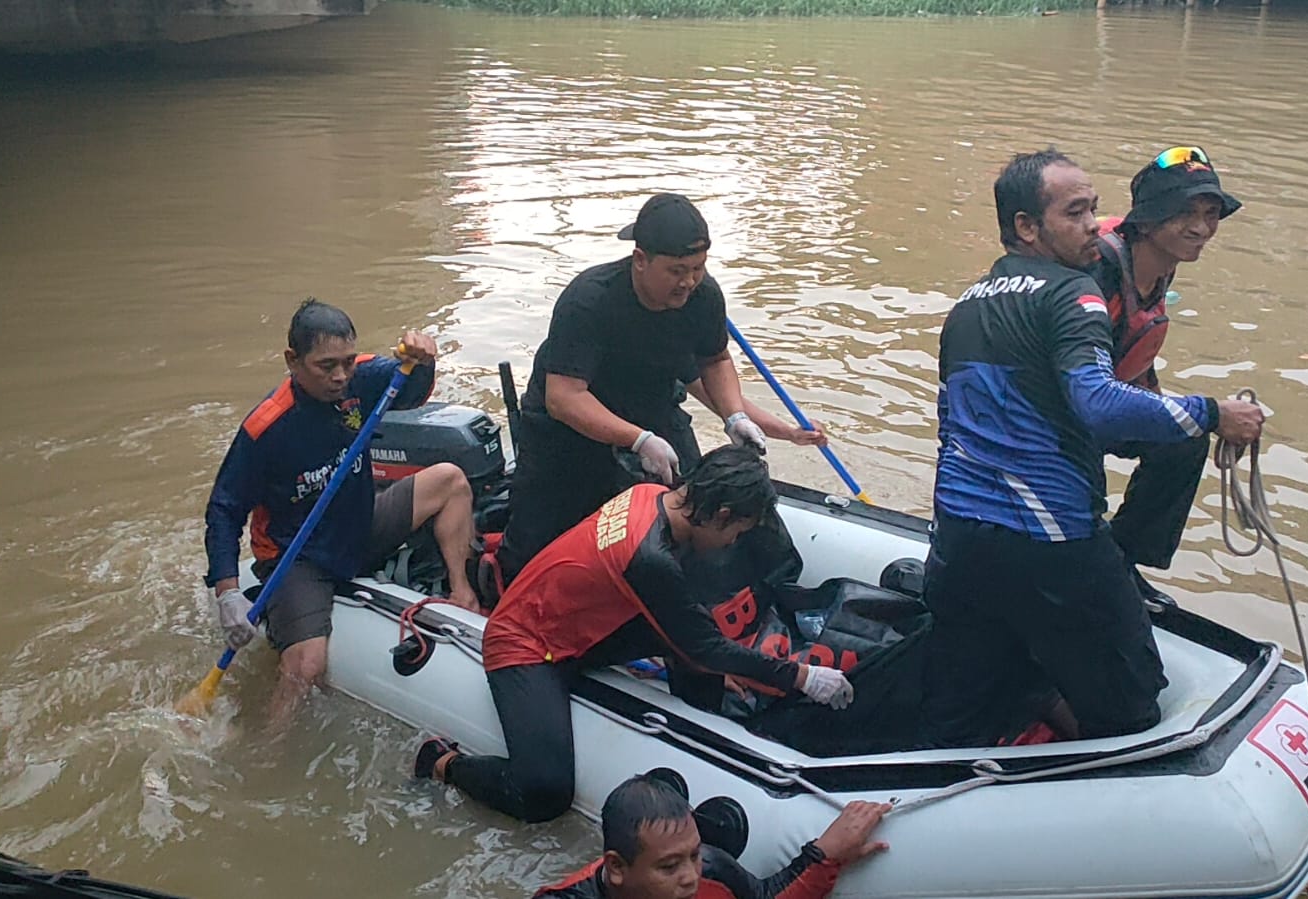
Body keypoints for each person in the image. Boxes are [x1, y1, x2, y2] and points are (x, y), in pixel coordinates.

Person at [919, 149, 1263, 747]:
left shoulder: (969, 302)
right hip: (1050, 537)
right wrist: (1211, 412)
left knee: (962, 688)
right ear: (1029, 226)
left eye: (1094, 211)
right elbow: (1096, 400)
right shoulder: (1076, 290)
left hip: (957, 534)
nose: (1091, 226)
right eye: (1077, 212)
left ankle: (1107, 580)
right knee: (1134, 709)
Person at [414, 446, 854, 823]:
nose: (732, 545)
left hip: (577, 621)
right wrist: (802, 677)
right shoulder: (649, 558)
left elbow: (688, 629)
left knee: (694, 632)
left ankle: (704, 716)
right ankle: (444, 763)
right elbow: (704, 644)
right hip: (526, 643)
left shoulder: (652, 496)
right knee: (543, 792)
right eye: (737, 533)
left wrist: (709, 663)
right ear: (720, 515)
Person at [496, 193, 826, 583]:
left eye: (698, 268)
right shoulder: (590, 300)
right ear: (640, 260)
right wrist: (638, 441)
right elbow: (564, 397)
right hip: (570, 428)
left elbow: (714, 362)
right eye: (676, 270)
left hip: (656, 412)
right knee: (543, 536)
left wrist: (737, 416)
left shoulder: (702, 297)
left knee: (694, 507)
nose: (688, 282)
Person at [202, 299, 480, 729]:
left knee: (450, 480)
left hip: (359, 523)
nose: (339, 377)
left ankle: (463, 592)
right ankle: (268, 752)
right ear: (292, 361)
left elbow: (408, 387)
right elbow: (224, 509)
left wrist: (423, 359)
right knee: (307, 666)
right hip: (299, 556)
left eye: (347, 362)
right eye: (326, 366)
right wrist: (227, 593)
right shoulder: (266, 428)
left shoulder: (360, 377)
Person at [1087, 146, 1243, 608]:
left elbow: (1134, 343)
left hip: (1100, 397)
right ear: (1149, 221)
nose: (1201, 228)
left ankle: (1123, 560)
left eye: (1210, 213)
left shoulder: (1160, 265)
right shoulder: (1095, 272)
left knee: (1183, 438)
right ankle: (1091, 567)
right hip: (1061, 407)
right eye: (1185, 213)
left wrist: (1170, 412)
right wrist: (1212, 413)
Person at [534, 773, 890, 899]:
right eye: (669, 867)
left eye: (692, 854)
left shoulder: (711, 868)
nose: (691, 876)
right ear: (616, 868)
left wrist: (824, 854)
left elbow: (766, 898)